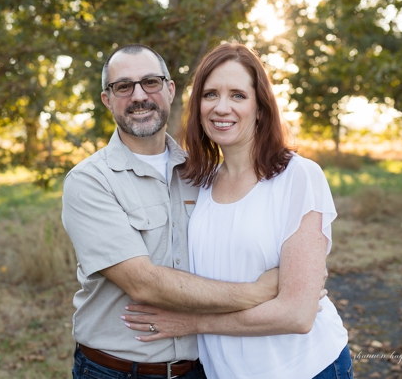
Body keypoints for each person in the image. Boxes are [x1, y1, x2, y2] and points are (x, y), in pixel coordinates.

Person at [116, 43, 351, 378]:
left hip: (304, 368)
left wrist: (193, 323)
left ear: (260, 108)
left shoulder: (298, 176)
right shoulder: (200, 183)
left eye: (238, 95)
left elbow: (297, 315)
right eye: (210, 94)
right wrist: (261, 291)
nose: (221, 107)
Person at [61, 44, 286, 379]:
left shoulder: (206, 174)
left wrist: (299, 277)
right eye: (123, 86)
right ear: (107, 99)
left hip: (204, 368)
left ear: (169, 89)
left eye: (150, 82)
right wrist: (259, 292)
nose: (139, 96)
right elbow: (144, 283)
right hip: (119, 370)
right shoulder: (90, 181)